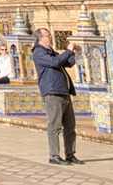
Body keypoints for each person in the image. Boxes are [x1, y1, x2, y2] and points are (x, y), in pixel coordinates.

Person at [32, 27, 83, 166]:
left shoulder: (50, 52)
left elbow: (67, 62)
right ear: (40, 39)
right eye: (48, 36)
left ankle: (70, 154)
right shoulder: (38, 52)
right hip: (53, 93)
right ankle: (54, 155)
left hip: (64, 92)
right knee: (55, 126)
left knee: (70, 125)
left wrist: (73, 52)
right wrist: (67, 51)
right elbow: (55, 62)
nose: (51, 38)